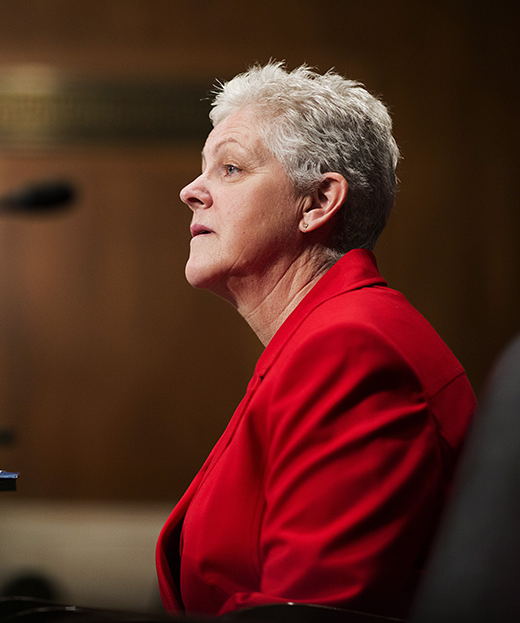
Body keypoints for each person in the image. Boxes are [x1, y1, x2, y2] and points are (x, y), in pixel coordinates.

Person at [155, 62, 476, 619]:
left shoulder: (352, 348)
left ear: (318, 203)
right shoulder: (330, 334)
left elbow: (309, 608)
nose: (191, 191)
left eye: (229, 168)